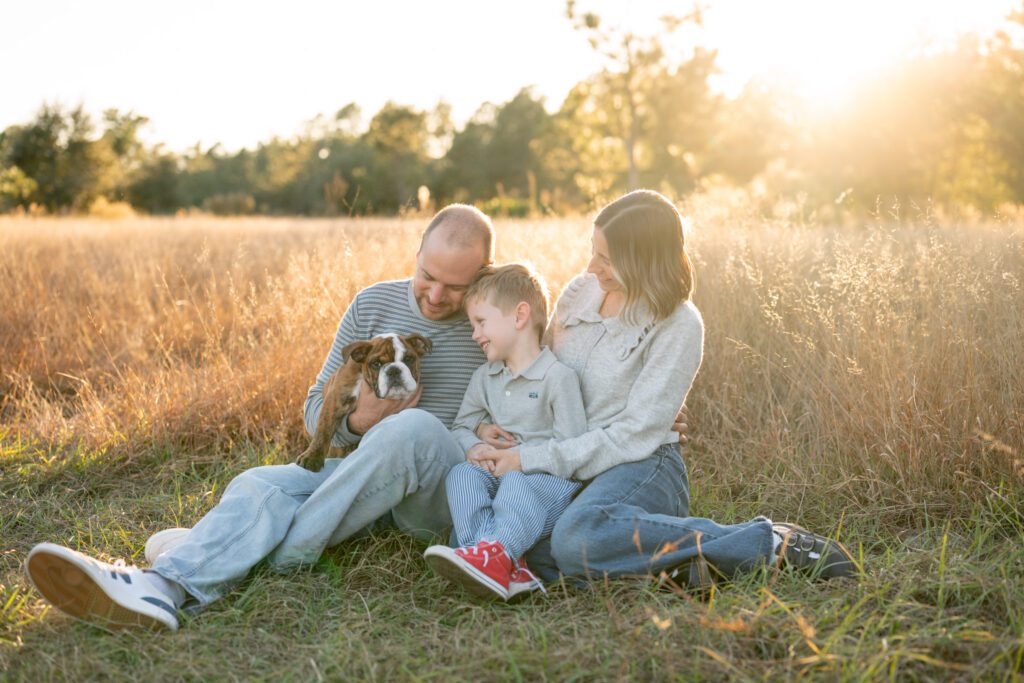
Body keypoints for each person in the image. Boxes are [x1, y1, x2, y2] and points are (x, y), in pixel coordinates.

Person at [25, 204, 498, 631]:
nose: (435, 295)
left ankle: (226, 552)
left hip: (439, 494)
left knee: (412, 427)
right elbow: (316, 405)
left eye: (455, 286)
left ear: (483, 274)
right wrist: (357, 423)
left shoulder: (491, 323)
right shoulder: (371, 304)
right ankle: (161, 588)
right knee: (261, 484)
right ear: (416, 252)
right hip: (360, 481)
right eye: (427, 275)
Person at [471, 190, 859, 589]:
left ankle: (771, 542)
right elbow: (540, 373)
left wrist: (530, 458)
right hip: (569, 460)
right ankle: (674, 568)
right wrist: (489, 430)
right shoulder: (578, 293)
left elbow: (633, 437)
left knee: (576, 539)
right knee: (514, 542)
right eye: (593, 250)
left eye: (606, 258)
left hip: (640, 464)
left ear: (643, 260)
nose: (591, 266)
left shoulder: (678, 324)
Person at [423, 263, 587, 601]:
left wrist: (520, 460)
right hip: (498, 473)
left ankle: (495, 555)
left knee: (515, 481)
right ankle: (492, 559)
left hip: (547, 485)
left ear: (519, 316)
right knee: (461, 476)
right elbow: (461, 426)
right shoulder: (485, 377)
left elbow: (573, 450)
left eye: (481, 322)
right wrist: (473, 448)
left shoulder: (558, 378)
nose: (474, 335)